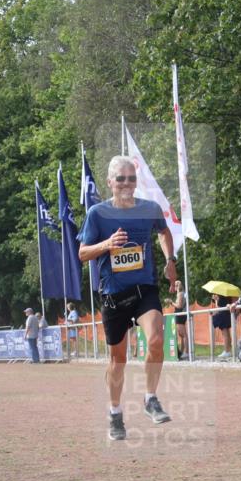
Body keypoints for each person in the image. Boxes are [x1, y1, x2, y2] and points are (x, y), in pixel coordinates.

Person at [78, 155, 177, 441]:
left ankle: (150, 398)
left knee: (156, 339)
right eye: (120, 178)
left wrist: (170, 260)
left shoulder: (149, 208)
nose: (126, 183)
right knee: (117, 360)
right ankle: (115, 414)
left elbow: (163, 231)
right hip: (113, 295)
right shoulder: (97, 213)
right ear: (110, 182)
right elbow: (83, 254)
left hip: (144, 289)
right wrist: (107, 244)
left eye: (131, 178)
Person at [210, 294, 233, 359]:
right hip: (227, 316)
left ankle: (226, 351)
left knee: (225, 334)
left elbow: (219, 307)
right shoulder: (227, 296)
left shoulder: (221, 297)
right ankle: (228, 350)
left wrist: (216, 300)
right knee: (227, 334)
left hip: (223, 316)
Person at [171, 279, 189, 360]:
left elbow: (179, 306)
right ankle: (182, 352)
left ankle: (186, 352)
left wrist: (171, 302)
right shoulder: (181, 294)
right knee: (181, 335)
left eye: (175, 285)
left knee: (183, 334)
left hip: (180, 314)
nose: (174, 287)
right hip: (180, 314)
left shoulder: (180, 294)